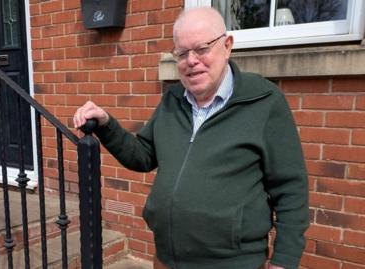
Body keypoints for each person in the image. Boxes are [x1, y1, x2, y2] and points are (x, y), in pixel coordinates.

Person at [73, 7, 309, 269]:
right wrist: (106, 123)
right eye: (182, 53)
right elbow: (142, 155)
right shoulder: (173, 100)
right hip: (166, 259)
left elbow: (291, 189)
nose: (191, 60)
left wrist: (284, 260)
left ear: (227, 45)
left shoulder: (264, 102)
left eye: (202, 48)